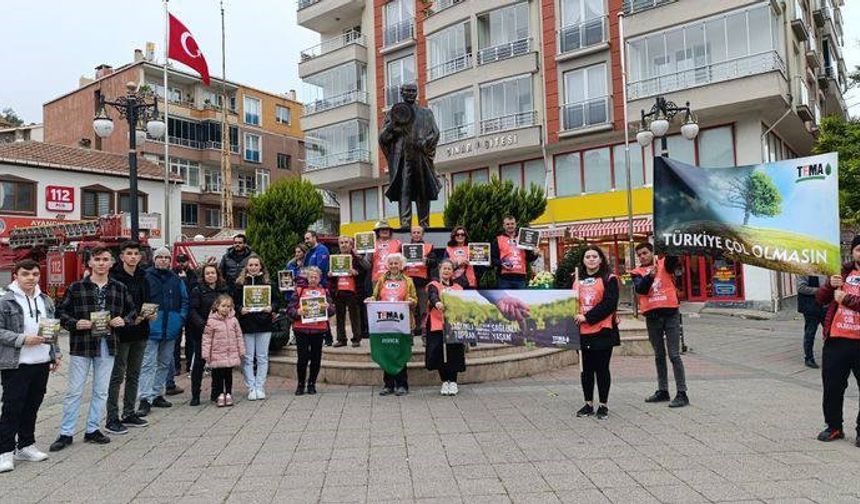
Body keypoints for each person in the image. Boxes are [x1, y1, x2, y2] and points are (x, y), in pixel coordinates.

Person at [50, 246, 135, 452]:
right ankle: (66, 432)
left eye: (105, 259)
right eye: (97, 259)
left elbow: (132, 312)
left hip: (108, 343)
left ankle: (93, 429)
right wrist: (75, 323)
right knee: (74, 391)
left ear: (112, 263)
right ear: (89, 263)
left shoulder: (119, 287)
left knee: (101, 390)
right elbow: (60, 313)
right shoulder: (76, 287)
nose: (101, 263)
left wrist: (122, 320)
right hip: (82, 344)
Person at [0, 260, 62, 472]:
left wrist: (55, 354)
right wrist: (23, 339)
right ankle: (5, 452)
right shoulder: (5, 301)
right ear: (15, 275)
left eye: (35, 274)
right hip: (17, 363)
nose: (31, 278)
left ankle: (26, 445)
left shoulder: (45, 299)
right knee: (12, 408)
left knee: (32, 407)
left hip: (41, 361)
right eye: (25, 274)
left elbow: (52, 328)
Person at [631, 243, 688, 408]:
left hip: (670, 314)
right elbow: (641, 290)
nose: (642, 256)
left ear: (652, 252)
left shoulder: (664, 264)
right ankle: (663, 390)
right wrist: (649, 276)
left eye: (645, 253)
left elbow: (672, 260)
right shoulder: (637, 273)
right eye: (640, 254)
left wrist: (668, 242)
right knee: (659, 355)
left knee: (674, 354)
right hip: (652, 317)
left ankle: (682, 393)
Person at [105, 241, 154, 435]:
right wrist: (128, 319)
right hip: (121, 332)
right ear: (122, 257)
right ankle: (112, 417)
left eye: (136, 253)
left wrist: (150, 314)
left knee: (134, 373)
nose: (133, 257)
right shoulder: (114, 277)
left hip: (141, 330)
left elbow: (147, 300)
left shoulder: (144, 276)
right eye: (129, 253)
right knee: (117, 375)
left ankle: (129, 412)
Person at [815, 236, 860, 444]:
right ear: (852, 252)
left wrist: (847, 300)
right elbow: (820, 300)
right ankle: (834, 427)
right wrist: (828, 286)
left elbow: (848, 301)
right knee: (832, 387)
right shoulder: (842, 272)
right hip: (836, 340)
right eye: (859, 249)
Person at [379, 82, 441, 230]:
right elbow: (383, 138)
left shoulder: (426, 113)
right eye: (407, 91)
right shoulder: (394, 113)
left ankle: (424, 224)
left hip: (420, 156)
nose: (411, 94)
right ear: (402, 92)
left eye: (413, 91)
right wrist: (393, 127)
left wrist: (425, 142)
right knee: (404, 190)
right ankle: (405, 225)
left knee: (423, 190)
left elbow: (435, 133)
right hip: (403, 157)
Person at [137, 247, 189, 417]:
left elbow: (184, 300)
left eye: (166, 257)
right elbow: (139, 299)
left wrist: (180, 319)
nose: (163, 260)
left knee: (164, 364)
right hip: (151, 328)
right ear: (154, 259)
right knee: (147, 364)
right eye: (159, 257)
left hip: (171, 328)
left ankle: (157, 394)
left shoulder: (176, 279)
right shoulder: (145, 276)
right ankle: (145, 398)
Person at [573, 246, 620, 420]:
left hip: (603, 330)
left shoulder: (610, 279)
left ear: (601, 259)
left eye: (595, 256)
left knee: (601, 369)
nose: (591, 259)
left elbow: (609, 304)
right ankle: (588, 403)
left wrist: (587, 317)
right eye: (588, 256)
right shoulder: (576, 280)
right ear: (583, 260)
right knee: (585, 370)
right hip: (581, 332)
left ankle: (603, 405)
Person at [367, 253, 417, 396]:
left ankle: (402, 385)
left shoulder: (408, 281)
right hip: (384, 322)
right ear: (388, 265)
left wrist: (412, 302)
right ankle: (388, 385)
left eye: (397, 263)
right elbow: (375, 296)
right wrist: (370, 298)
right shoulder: (382, 280)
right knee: (386, 352)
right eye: (392, 263)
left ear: (401, 265)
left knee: (400, 352)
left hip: (402, 322)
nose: (394, 265)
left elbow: (414, 298)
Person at [288, 267, 335, 395]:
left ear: (319, 279)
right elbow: (290, 309)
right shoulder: (299, 290)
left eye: (316, 277)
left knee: (316, 358)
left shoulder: (324, 291)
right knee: (302, 358)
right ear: (307, 278)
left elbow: (332, 311)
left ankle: (312, 383)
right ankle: (300, 384)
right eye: (311, 277)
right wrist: (297, 312)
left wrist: (328, 307)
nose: (313, 279)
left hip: (318, 329)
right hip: (301, 329)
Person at [188, 264, 231, 405]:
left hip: (219, 333)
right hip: (202, 332)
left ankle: (216, 392)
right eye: (207, 273)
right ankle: (195, 395)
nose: (211, 275)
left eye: (213, 273)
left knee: (218, 364)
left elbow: (228, 309)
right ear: (203, 276)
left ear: (217, 275)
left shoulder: (223, 290)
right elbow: (193, 310)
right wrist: (202, 324)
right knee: (199, 364)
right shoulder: (197, 290)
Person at [233, 254, 273, 401]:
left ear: (261, 266)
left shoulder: (268, 283)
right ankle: (251, 387)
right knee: (248, 358)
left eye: (256, 265)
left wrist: (271, 307)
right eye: (251, 265)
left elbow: (275, 301)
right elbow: (235, 303)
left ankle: (260, 386)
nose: (253, 267)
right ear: (246, 267)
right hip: (247, 324)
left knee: (262, 357)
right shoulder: (240, 284)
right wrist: (240, 309)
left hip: (264, 324)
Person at [425, 260, 466, 396]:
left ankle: (453, 381)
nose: (446, 271)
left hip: (454, 324)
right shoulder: (433, 285)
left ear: (453, 272)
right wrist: (437, 302)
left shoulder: (458, 288)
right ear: (439, 270)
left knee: (454, 351)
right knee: (439, 353)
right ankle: (444, 381)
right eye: (444, 268)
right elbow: (432, 296)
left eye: (449, 269)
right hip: (437, 323)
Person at [202, 294, 245, 407]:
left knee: (228, 375)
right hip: (217, 354)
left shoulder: (234, 320)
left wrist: (241, 350)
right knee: (218, 376)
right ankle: (219, 393)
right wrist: (206, 353)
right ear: (217, 306)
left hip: (230, 353)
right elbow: (207, 338)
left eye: (228, 306)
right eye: (223, 306)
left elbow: (239, 335)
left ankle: (229, 393)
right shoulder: (212, 321)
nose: (226, 308)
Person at [331, 236, 370, 347]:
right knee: (339, 316)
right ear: (339, 245)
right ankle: (341, 339)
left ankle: (356, 339)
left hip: (353, 291)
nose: (344, 244)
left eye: (346, 242)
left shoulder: (356, 257)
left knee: (355, 316)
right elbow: (332, 277)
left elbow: (365, 270)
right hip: (339, 291)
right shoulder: (335, 258)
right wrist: (330, 274)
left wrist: (356, 272)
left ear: (351, 244)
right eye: (341, 243)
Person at [404, 226, 435, 341]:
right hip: (408, 284)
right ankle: (409, 336)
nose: (416, 234)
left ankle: (425, 336)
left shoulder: (428, 247)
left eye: (418, 232)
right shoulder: (404, 248)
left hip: (423, 284)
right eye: (414, 232)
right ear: (411, 235)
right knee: (409, 311)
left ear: (422, 234)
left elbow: (435, 263)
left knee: (423, 311)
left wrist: (426, 260)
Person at [491, 216, 537, 289]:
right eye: (507, 224)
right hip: (504, 278)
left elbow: (529, 258)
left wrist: (535, 253)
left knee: (520, 300)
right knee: (505, 300)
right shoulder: (498, 239)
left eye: (512, 224)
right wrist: (502, 264)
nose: (510, 226)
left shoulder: (523, 238)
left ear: (515, 224)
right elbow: (493, 258)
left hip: (520, 277)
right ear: (503, 226)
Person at [304, 230, 332, 345]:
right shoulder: (309, 252)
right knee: (314, 310)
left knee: (322, 310)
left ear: (315, 237)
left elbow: (321, 268)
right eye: (305, 239)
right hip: (309, 285)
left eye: (308, 238)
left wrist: (313, 277)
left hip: (321, 285)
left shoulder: (322, 250)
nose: (306, 241)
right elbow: (305, 268)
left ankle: (328, 337)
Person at [172, 254, 198, 377]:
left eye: (183, 261)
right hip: (177, 309)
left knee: (190, 339)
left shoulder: (193, 274)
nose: (181, 264)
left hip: (189, 309)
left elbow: (192, 290)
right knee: (176, 339)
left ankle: (189, 365)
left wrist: (184, 280)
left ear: (188, 261)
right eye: (179, 261)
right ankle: (176, 367)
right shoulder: (173, 273)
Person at [798, 274, 827, 368]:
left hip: (825, 306)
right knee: (810, 333)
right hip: (810, 307)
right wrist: (820, 290)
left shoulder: (825, 268)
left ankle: (832, 356)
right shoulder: (804, 270)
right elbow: (801, 287)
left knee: (830, 333)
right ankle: (809, 358)